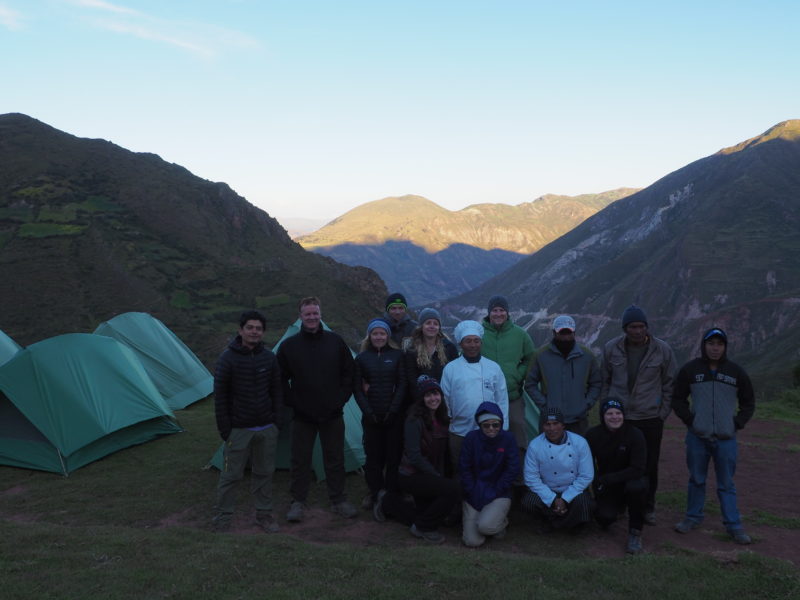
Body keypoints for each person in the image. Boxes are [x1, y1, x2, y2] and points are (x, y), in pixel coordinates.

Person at [276, 296, 358, 522]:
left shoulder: (335, 341)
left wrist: (339, 400)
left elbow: (348, 374)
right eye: (307, 314)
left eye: (315, 313)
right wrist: (295, 402)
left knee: (335, 457)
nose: (312, 317)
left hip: (332, 413)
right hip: (303, 415)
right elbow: (280, 380)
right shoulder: (289, 347)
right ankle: (298, 501)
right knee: (299, 459)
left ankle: (339, 499)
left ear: (320, 314)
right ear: (300, 317)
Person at [671, 327, 756, 545]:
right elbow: (678, 398)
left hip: (726, 439)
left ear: (725, 347)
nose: (715, 348)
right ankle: (692, 517)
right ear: (704, 345)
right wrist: (691, 421)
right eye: (711, 344)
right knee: (697, 479)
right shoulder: (690, 370)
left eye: (719, 344)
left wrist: (736, 423)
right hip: (697, 436)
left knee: (726, 483)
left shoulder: (736, 372)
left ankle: (734, 526)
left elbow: (748, 402)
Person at [599, 304, 676, 525]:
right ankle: (620, 503)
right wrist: (606, 407)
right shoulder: (611, 349)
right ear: (625, 328)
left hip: (649, 418)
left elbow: (670, 383)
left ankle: (647, 507)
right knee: (618, 461)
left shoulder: (662, 350)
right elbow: (605, 380)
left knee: (649, 464)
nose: (638, 330)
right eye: (633, 326)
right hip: (619, 417)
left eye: (641, 326)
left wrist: (662, 412)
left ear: (647, 327)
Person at [212, 310, 283, 533]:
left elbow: (277, 391)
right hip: (239, 429)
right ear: (240, 330)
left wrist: (276, 422)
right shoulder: (227, 358)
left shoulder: (269, 357)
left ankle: (264, 514)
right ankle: (223, 518)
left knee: (264, 473)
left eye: (259, 328)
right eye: (250, 327)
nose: (254, 331)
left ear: (263, 332)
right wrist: (226, 430)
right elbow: (220, 396)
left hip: (266, 427)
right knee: (231, 475)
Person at [375, 376, 461, 544]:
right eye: (427, 395)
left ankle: (388, 502)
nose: (432, 398)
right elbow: (414, 456)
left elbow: (441, 454)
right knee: (453, 490)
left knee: (426, 513)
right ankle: (423, 528)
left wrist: (439, 476)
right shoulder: (414, 420)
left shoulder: (442, 418)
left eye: (435, 394)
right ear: (422, 399)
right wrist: (437, 476)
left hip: (428, 473)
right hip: (411, 475)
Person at [441, 320, 509, 476]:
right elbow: (445, 397)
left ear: (481, 342)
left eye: (476, 341)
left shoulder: (493, 368)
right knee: (460, 468)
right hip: (459, 431)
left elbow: (502, 400)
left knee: (488, 468)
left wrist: (502, 428)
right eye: (468, 341)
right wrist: (449, 418)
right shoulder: (451, 369)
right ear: (461, 343)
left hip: (488, 431)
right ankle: (461, 497)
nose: (473, 345)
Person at [354, 318, 406, 507]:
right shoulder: (361, 358)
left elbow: (402, 384)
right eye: (375, 333)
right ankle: (374, 491)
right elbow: (357, 389)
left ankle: (392, 491)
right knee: (373, 456)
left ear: (387, 336)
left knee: (394, 455)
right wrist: (368, 412)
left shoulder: (397, 355)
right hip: (371, 416)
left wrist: (393, 411)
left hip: (393, 416)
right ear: (370, 336)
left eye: (382, 333)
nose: (378, 337)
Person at [585, 399, 648, 554]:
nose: (615, 417)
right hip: (608, 486)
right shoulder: (593, 435)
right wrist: (596, 485)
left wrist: (607, 479)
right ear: (602, 416)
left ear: (623, 415)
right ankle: (617, 508)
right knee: (604, 518)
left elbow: (638, 469)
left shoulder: (635, 434)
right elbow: (588, 464)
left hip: (629, 481)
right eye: (609, 413)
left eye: (618, 413)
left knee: (637, 487)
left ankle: (635, 532)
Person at [526, 314, 602, 435]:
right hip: (550, 420)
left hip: (578, 420)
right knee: (549, 453)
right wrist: (545, 405)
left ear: (574, 333)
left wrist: (586, 404)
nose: (566, 337)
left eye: (569, 333)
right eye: (562, 333)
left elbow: (596, 383)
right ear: (554, 333)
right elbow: (530, 384)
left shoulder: (586, 356)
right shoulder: (541, 356)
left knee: (579, 452)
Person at [521, 407, 594, 532]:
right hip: (548, 490)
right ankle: (567, 523)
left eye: (556, 423)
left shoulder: (580, 442)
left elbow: (586, 475)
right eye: (547, 424)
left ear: (563, 425)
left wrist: (565, 498)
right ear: (542, 426)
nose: (552, 429)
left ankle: (553, 523)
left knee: (585, 503)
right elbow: (531, 478)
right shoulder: (535, 445)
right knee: (528, 502)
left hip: (573, 491)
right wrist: (553, 499)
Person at [459, 402, 521, 547]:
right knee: (472, 541)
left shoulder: (508, 439)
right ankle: (487, 520)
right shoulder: (471, 438)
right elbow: (464, 468)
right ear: (480, 425)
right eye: (486, 425)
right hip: (474, 492)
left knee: (485, 527)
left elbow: (512, 469)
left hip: (498, 492)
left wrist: (495, 490)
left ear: (501, 423)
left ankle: (500, 522)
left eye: (495, 424)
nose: (491, 429)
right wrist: (472, 490)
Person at [480, 295, 536, 453]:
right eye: (495, 310)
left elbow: (530, 358)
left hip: (512, 395)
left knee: (517, 433)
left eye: (501, 310)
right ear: (489, 313)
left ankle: (519, 474)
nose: (498, 314)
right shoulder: (479, 333)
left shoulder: (520, 334)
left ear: (507, 312)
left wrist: (518, 375)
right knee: (488, 436)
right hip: (486, 396)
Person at [403, 307, 458, 404]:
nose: (432, 326)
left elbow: (455, 376)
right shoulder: (412, 350)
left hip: (445, 401)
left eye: (435, 324)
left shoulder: (449, 348)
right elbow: (411, 380)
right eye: (428, 323)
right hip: (421, 401)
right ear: (421, 326)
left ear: (439, 327)